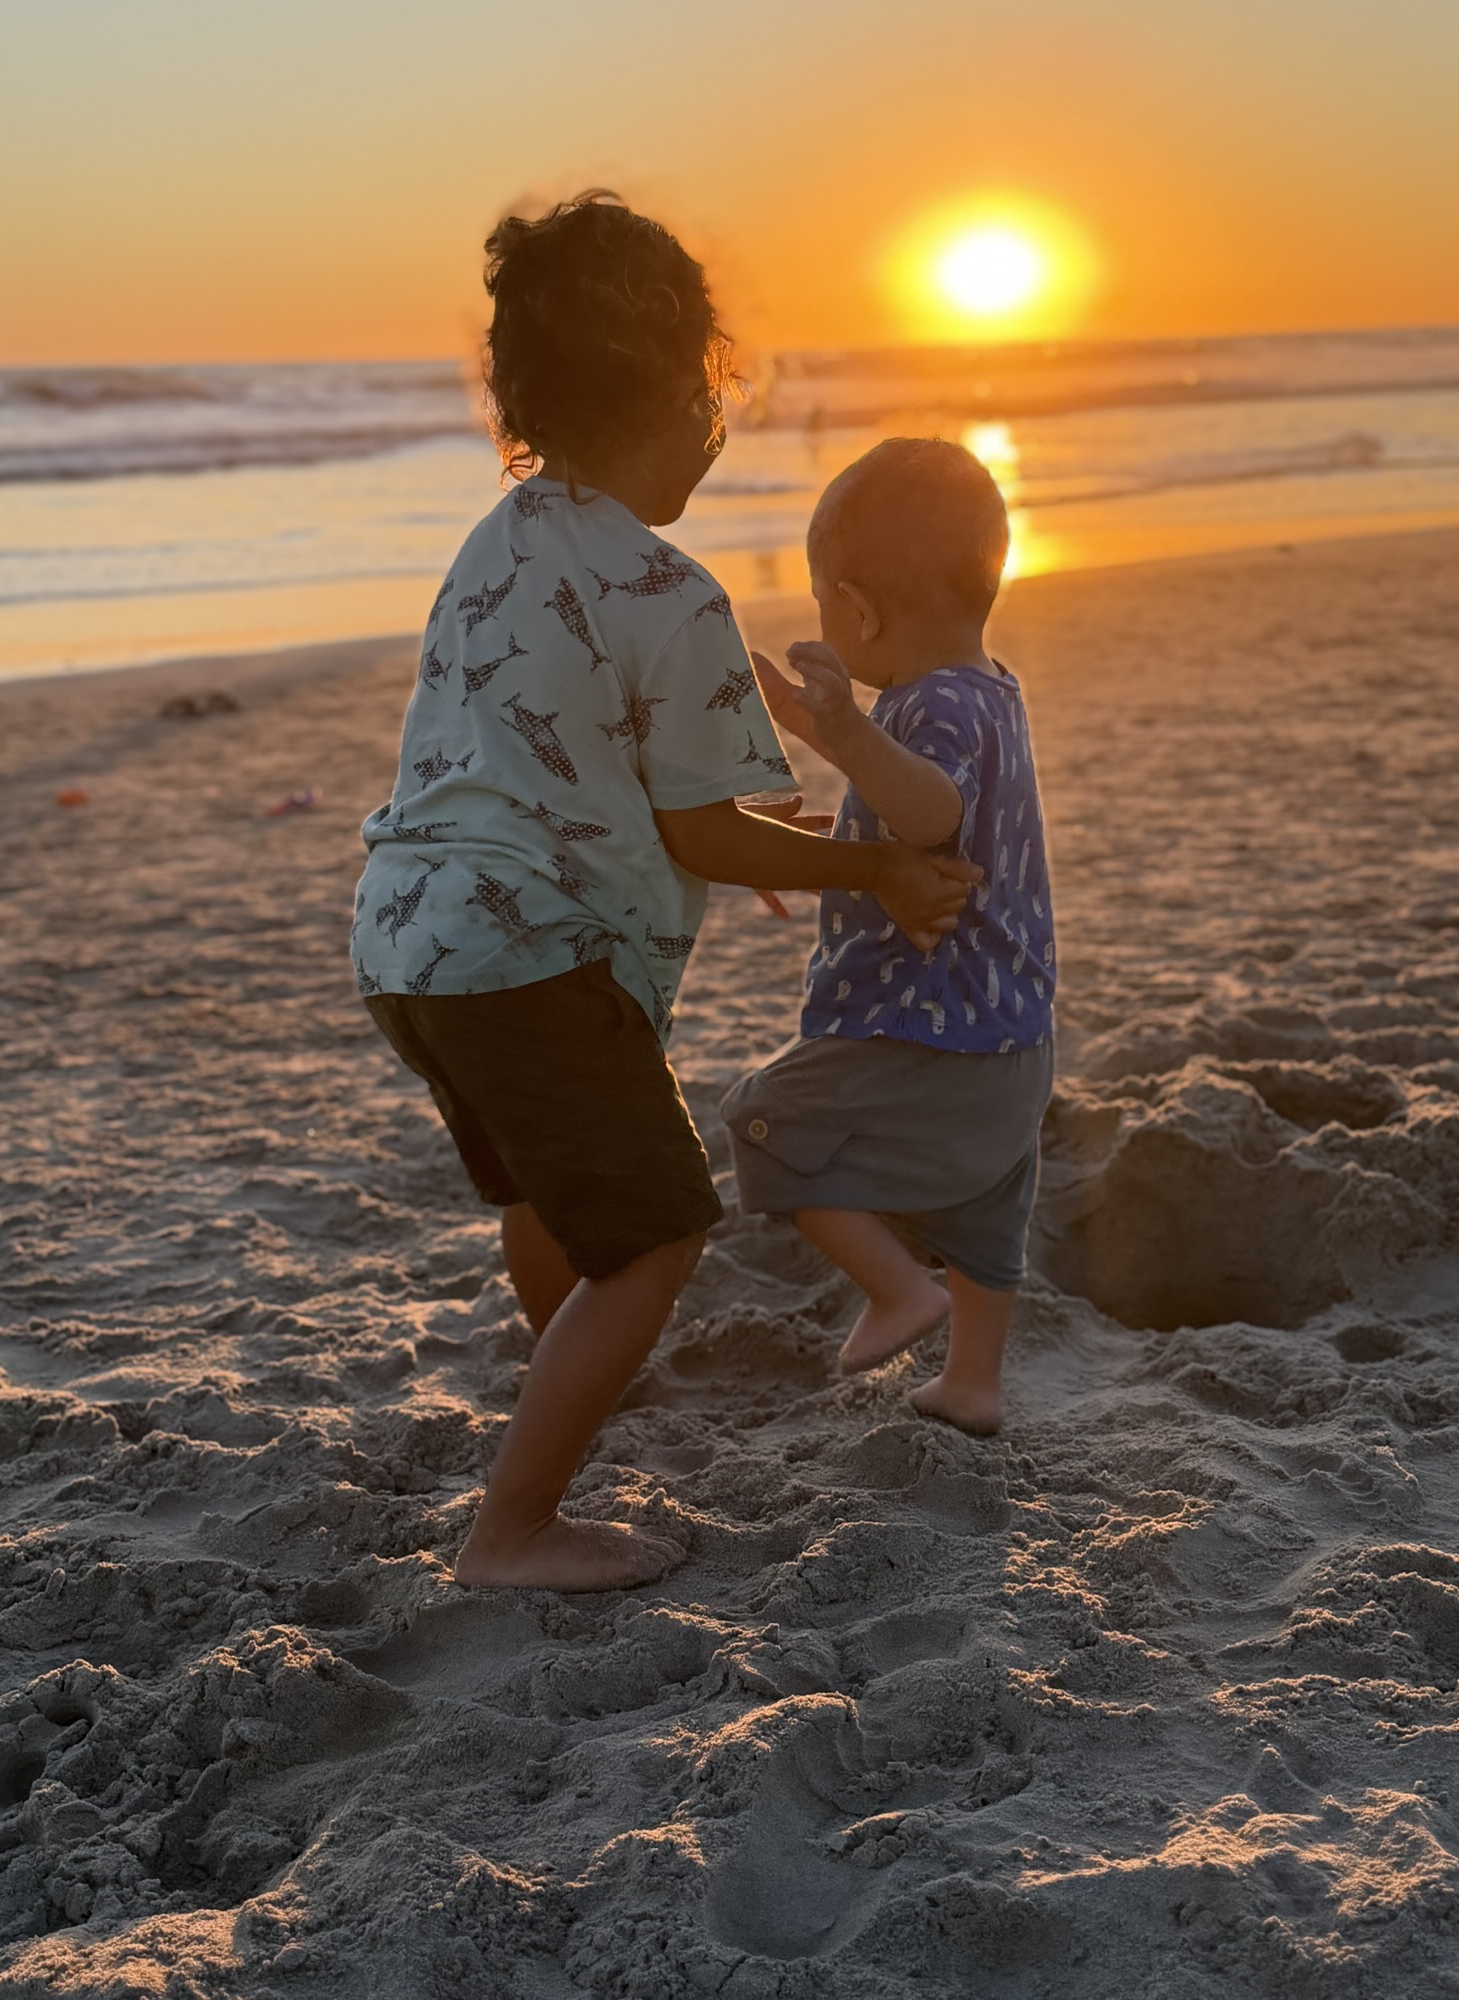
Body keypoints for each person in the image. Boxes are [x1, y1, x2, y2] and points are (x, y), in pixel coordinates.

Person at [350, 198, 980, 1591]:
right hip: (535, 960)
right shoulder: (671, 587)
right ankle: (511, 1530)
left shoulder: (497, 541)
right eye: (713, 389)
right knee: (656, 1236)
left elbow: (579, 754)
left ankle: (572, 1387)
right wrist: (871, 862)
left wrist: (738, 827)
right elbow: (707, 832)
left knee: (550, 1192)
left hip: (410, 938)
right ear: (688, 395)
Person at [722, 437, 1054, 1436]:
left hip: (926, 1024)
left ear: (859, 610)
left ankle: (898, 1289)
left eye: (825, 602)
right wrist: (802, 718)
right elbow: (909, 802)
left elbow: (930, 811)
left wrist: (847, 731)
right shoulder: (990, 684)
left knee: (764, 1119)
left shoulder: (932, 704)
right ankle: (973, 1381)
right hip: (1015, 1031)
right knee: (988, 1211)